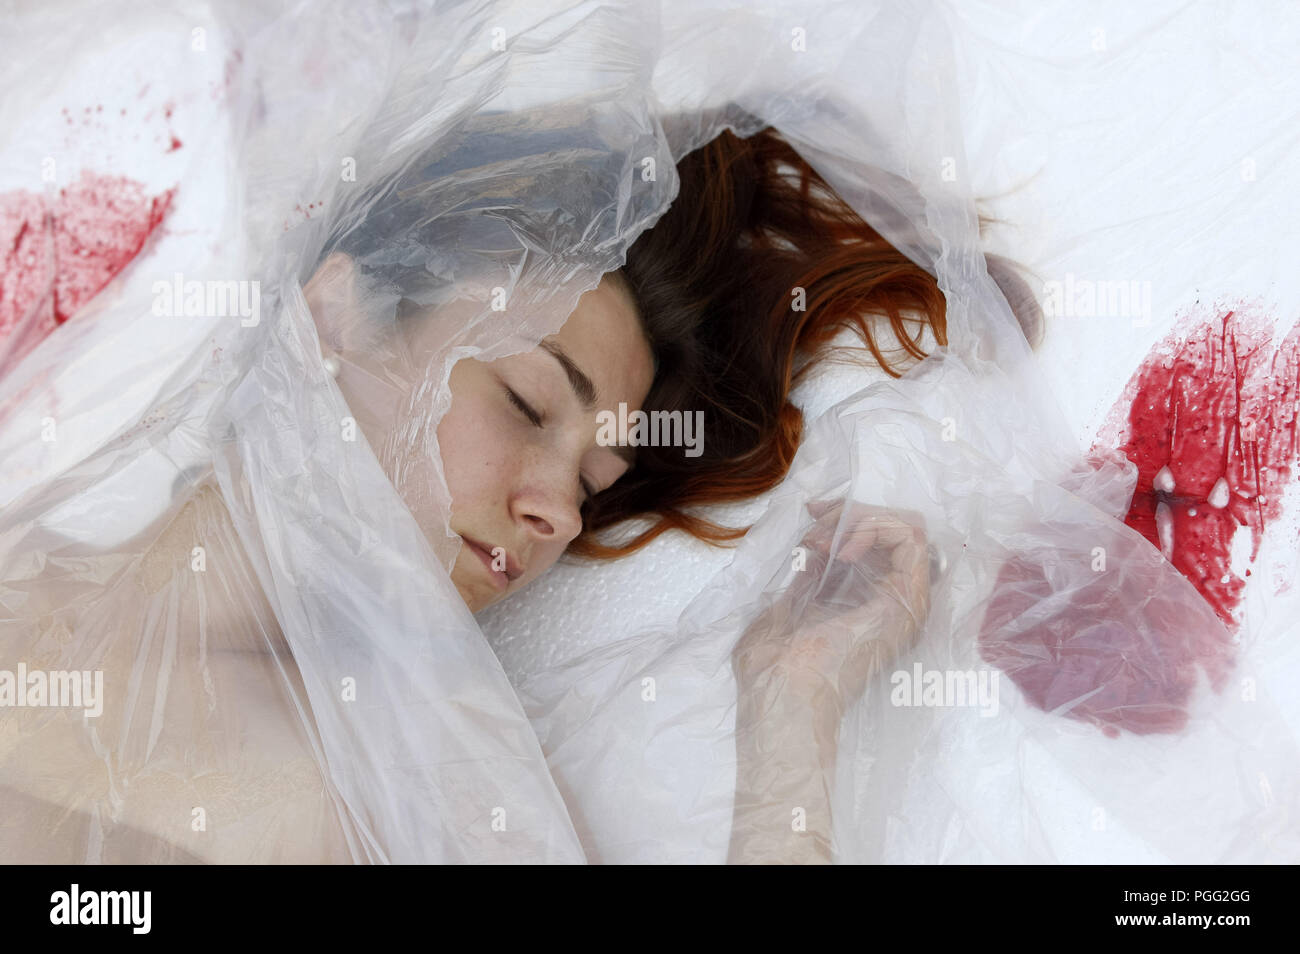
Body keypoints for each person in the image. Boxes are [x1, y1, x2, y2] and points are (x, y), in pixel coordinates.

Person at [0, 120, 1038, 863]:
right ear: (332, 316)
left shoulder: (414, 782)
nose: (561, 515)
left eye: (595, 480)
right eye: (527, 403)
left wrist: (792, 704)